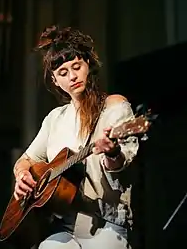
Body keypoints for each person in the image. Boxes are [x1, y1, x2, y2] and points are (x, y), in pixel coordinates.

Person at [13, 25, 139, 249]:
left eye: (76, 67)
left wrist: (112, 152)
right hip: (63, 224)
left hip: (106, 222)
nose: (72, 76)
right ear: (55, 81)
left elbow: (124, 166)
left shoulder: (114, 106)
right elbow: (26, 159)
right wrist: (22, 174)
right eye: (63, 73)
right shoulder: (55, 118)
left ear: (87, 65)